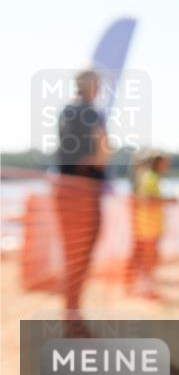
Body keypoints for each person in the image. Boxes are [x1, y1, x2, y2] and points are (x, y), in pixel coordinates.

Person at [54, 70, 110, 332]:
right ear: (90, 86)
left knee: (72, 256)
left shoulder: (67, 111)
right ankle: (72, 317)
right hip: (84, 189)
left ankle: (72, 314)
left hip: (66, 188)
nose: (100, 88)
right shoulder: (90, 112)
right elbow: (102, 150)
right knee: (80, 256)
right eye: (97, 84)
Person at [128, 152, 176, 299]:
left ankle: (143, 286)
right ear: (158, 163)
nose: (168, 166)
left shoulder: (150, 177)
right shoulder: (151, 178)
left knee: (149, 256)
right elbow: (147, 200)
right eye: (165, 163)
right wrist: (169, 200)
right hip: (148, 224)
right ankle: (145, 288)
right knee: (148, 257)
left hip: (150, 224)